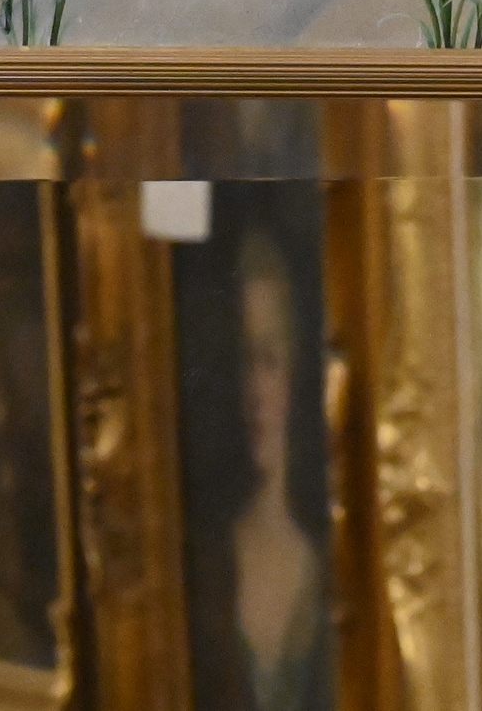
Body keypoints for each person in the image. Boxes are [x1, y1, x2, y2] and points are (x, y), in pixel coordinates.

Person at [185, 221, 334, 711]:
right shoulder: (203, 563)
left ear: (295, 373)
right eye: (241, 362)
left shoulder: (333, 567)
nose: (253, 391)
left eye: (268, 360)